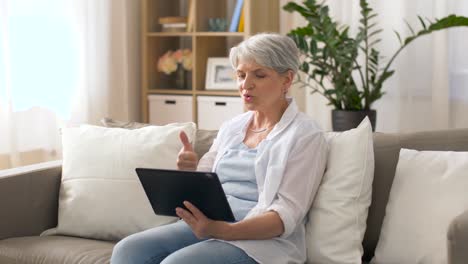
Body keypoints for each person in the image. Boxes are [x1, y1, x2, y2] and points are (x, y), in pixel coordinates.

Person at [111, 33, 328, 264]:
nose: (246, 85)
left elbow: (284, 217)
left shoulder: (305, 135)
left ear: (287, 80)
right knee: (128, 250)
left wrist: (221, 230)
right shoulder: (231, 127)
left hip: (262, 241)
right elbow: (204, 182)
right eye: (241, 75)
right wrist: (187, 171)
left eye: (260, 75)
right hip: (210, 225)